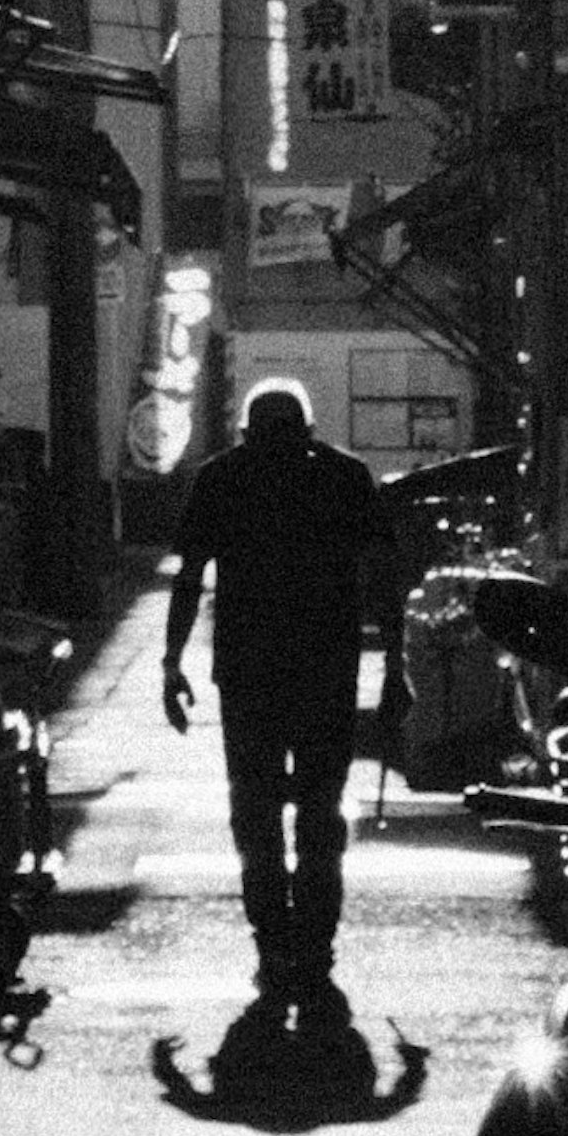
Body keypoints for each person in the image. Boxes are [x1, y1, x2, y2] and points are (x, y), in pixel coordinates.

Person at [161, 381, 405, 1026]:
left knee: (256, 813)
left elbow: (189, 576)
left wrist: (171, 662)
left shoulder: (222, 477)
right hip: (325, 667)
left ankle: (274, 945)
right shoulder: (346, 476)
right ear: (309, 429)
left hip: (247, 671)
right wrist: (398, 667)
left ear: (245, 431)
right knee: (320, 813)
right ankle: (315, 949)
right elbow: (384, 578)